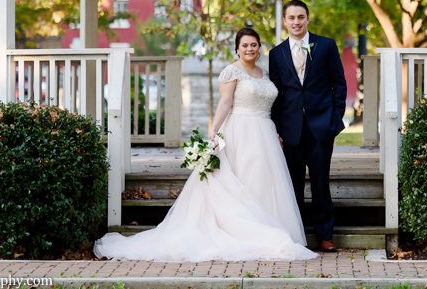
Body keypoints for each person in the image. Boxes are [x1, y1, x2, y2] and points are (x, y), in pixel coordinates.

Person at [93, 27, 316, 262]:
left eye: (254, 44)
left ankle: (266, 227)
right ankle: (243, 231)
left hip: (266, 133)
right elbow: (225, 103)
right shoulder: (232, 71)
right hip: (241, 131)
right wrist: (214, 133)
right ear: (237, 49)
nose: (250, 49)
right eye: (245, 45)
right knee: (243, 179)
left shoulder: (266, 73)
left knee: (264, 182)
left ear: (259, 47)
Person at [269, 0, 348, 253]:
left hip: (321, 126)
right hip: (291, 129)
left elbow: (339, 84)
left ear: (307, 18)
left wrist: (335, 120)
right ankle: (298, 235)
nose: (296, 22)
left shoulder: (326, 46)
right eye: (291, 18)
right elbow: (276, 94)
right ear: (284, 21)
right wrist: (277, 129)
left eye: (300, 17)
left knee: (320, 182)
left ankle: (326, 235)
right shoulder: (276, 53)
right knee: (292, 184)